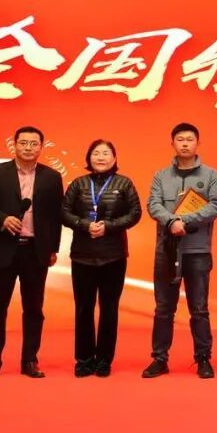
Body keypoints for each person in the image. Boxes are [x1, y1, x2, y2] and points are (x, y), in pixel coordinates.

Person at [0, 125, 64, 380]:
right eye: (23, 143)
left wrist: (53, 248)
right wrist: (1, 219)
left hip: (35, 251)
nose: (28, 148)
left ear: (41, 147)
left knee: (34, 309)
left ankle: (30, 360)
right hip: (3, 250)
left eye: (34, 143)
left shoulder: (52, 177)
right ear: (14, 145)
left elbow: (55, 217)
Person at [143, 122, 217, 379]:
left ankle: (203, 358)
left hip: (197, 250)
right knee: (163, 308)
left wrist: (184, 221)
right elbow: (153, 204)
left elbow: (216, 205)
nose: (185, 143)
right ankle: (159, 359)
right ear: (173, 144)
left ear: (198, 143)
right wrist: (171, 222)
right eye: (180, 139)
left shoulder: (211, 175)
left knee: (199, 308)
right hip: (167, 250)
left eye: (190, 139)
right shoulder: (161, 176)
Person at [60, 139, 142, 377]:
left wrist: (109, 226)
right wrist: (84, 224)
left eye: (106, 153)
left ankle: (104, 360)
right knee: (83, 308)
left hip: (113, 255)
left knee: (109, 308)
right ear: (89, 158)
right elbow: (64, 212)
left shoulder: (124, 183)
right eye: (96, 153)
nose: (101, 157)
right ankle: (84, 359)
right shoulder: (78, 183)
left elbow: (135, 213)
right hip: (82, 255)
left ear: (114, 158)